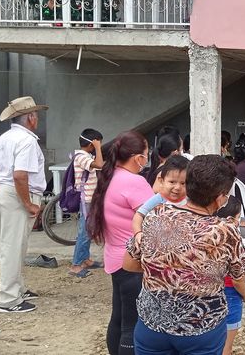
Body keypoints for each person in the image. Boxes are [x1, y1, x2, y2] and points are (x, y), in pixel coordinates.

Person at [123, 155, 245, 355]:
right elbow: (238, 276)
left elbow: (129, 264)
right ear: (220, 197)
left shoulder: (156, 214)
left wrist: (167, 270)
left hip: (152, 326)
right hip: (201, 328)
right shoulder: (225, 231)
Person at [0, 96, 49, 314]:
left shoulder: (5, 138)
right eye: (35, 115)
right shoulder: (27, 141)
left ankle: (16, 288)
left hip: (3, 191)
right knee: (13, 246)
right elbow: (20, 176)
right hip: (17, 194)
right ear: (31, 117)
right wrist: (28, 203)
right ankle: (9, 298)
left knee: (6, 244)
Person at [86, 131, 153, 355]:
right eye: (146, 154)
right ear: (138, 158)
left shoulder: (110, 176)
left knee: (119, 318)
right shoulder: (135, 182)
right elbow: (155, 219)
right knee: (132, 325)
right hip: (133, 261)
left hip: (115, 258)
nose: (147, 158)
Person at [215, 197, 245, 355]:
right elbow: (238, 280)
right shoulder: (234, 241)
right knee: (226, 346)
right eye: (238, 217)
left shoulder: (206, 236)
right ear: (231, 219)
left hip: (209, 293)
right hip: (230, 294)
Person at [69, 128, 105, 278]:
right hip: (86, 201)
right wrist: (98, 148)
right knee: (84, 232)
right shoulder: (81, 157)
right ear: (91, 144)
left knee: (89, 231)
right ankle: (76, 265)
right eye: (97, 143)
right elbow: (100, 164)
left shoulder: (85, 156)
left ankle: (85, 259)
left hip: (91, 199)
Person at [131, 156, 190, 240]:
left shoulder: (189, 199)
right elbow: (139, 214)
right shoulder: (159, 198)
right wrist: (138, 232)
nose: (177, 187)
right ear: (161, 181)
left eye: (183, 183)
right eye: (172, 182)